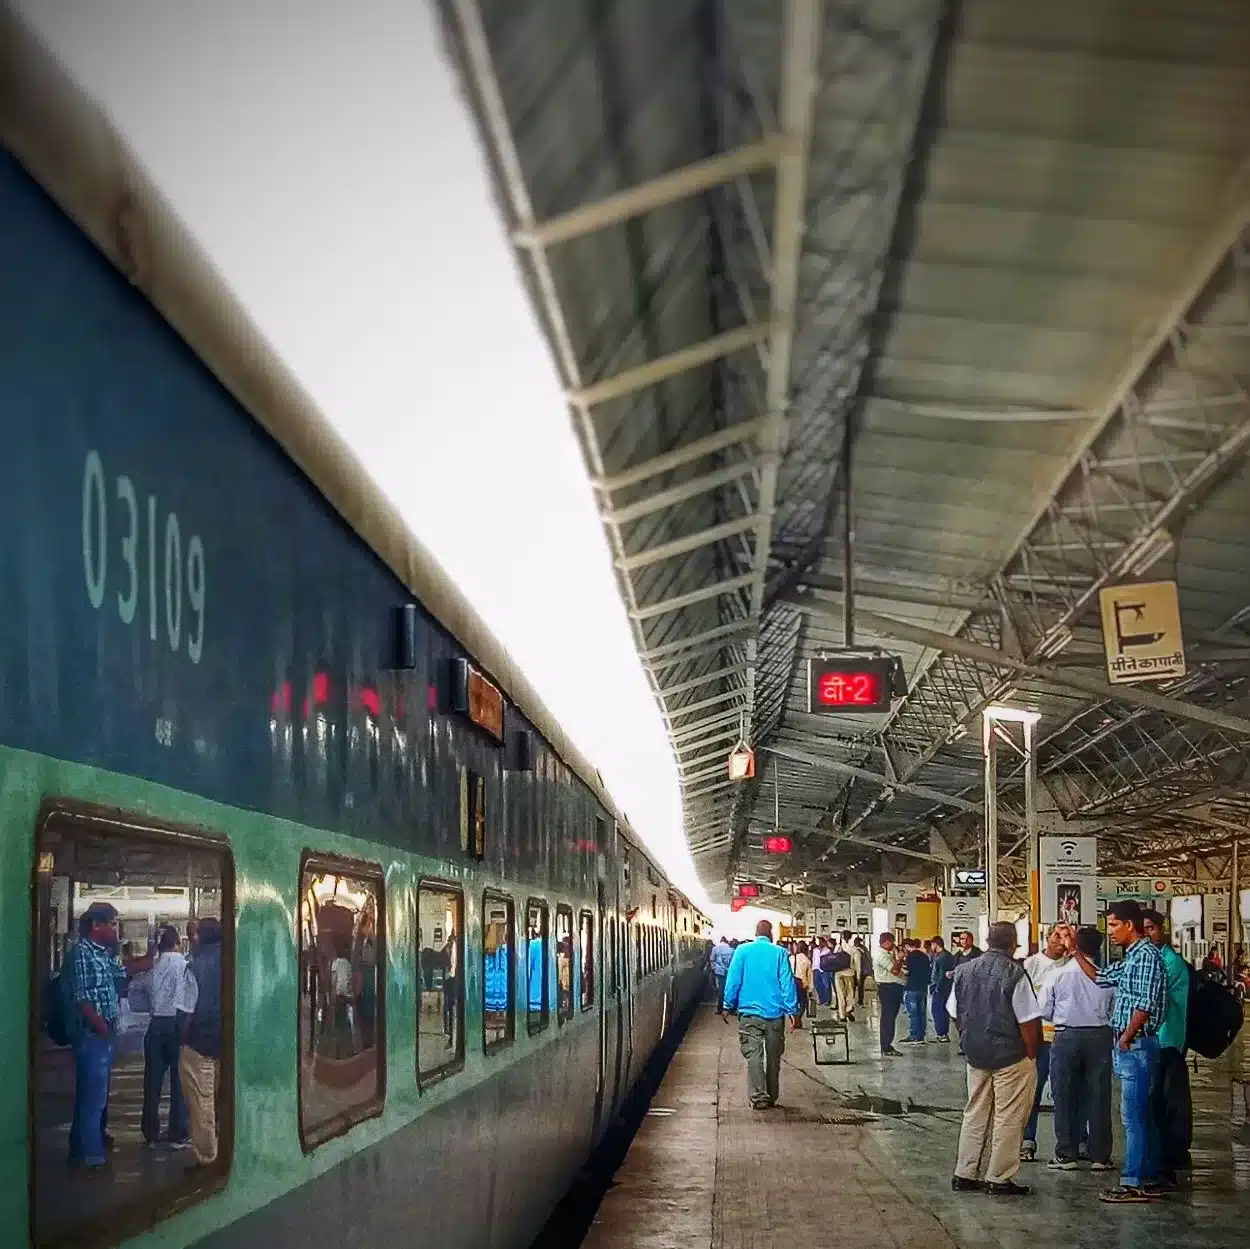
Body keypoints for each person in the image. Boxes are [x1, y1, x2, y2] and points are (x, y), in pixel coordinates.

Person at [1062, 900, 1167, 1204]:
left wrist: (1126, 1037)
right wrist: (1074, 951)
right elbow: (1100, 977)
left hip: (1136, 1045)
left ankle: (1132, 1181)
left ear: (1129, 925)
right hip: (1131, 1044)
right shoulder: (1133, 957)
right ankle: (1146, 1175)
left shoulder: (1145, 957)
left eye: (1114, 926)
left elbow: (1145, 1004)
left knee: (1132, 1118)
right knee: (1139, 1116)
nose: (1111, 932)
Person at [949, 921, 1042, 1197]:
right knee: (1008, 1116)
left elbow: (953, 1011)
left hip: (975, 1054)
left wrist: (968, 1035)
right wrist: (1031, 1054)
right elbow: (1028, 1021)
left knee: (974, 1112)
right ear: (1014, 944)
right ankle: (998, 1177)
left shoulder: (963, 971)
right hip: (1010, 1056)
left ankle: (964, 1173)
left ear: (987, 941)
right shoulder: (1015, 973)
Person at [1040, 925, 1114, 1171]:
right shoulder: (1106, 975)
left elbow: (1044, 1011)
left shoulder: (1057, 975)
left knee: (1064, 1096)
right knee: (1099, 1095)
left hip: (1066, 1036)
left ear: (1076, 947)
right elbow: (1114, 1010)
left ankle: (1066, 1154)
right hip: (1100, 1036)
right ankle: (1100, 1156)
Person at [67, 903, 124, 1169]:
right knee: (94, 1100)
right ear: (96, 926)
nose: (115, 928)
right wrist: (104, 1030)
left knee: (90, 1096)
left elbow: (122, 974)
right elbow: (83, 1000)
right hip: (93, 1035)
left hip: (101, 1033)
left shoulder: (101, 954)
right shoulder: (82, 953)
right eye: (112, 924)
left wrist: (152, 957)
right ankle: (92, 1158)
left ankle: (80, 1150)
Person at [721, 920, 798, 1109]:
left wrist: (727, 1004)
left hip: (749, 1014)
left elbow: (733, 980)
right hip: (775, 1015)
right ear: (770, 933)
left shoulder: (742, 951)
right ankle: (772, 1095)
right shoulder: (780, 953)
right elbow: (787, 983)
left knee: (754, 1055)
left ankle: (759, 1096)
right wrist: (792, 1010)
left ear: (756, 932)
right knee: (774, 1056)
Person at [1142, 908, 1191, 1187]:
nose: (1149, 934)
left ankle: (1166, 1168)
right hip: (1156, 1041)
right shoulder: (1154, 959)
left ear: (1162, 929)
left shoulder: (1169, 962)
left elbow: (1149, 1000)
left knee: (1161, 1106)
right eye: (1144, 928)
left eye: (1152, 928)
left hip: (1166, 1042)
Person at [177, 916, 224, 1167]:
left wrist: (183, 1040)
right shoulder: (233, 961)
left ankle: (207, 1159)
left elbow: (186, 1009)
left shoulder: (195, 966)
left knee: (201, 1102)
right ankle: (224, 1147)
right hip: (224, 1043)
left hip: (200, 1044)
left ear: (200, 937)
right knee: (220, 1098)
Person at [137, 925, 191, 1148]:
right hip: (178, 1025)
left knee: (152, 1081)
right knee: (179, 1082)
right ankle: (178, 1132)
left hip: (156, 1025)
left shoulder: (153, 966)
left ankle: (150, 1131)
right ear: (178, 942)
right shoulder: (186, 966)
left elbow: (136, 995)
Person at [1019, 927, 1066, 1162]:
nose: (1061, 940)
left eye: (1067, 935)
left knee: (1065, 1093)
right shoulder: (1031, 964)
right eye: (1057, 935)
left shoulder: (1072, 966)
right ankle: (1027, 1141)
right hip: (1039, 1040)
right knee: (1033, 1092)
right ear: (1046, 938)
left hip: (1064, 1038)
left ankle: (1074, 1143)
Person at [872, 934, 907, 1057]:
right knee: (888, 1018)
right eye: (892, 942)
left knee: (890, 1017)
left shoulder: (887, 954)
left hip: (893, 988)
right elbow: (894, 970)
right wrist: (900, 958)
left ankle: (887, 1044)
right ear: (886, 942)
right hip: (889, 989)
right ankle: (886, 1047)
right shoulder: (881, 955)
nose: (894, 944)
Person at [901, 939, 931, 1046]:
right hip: (922, 988)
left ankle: (914, 1036)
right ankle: (921, 1036)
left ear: (907, 946)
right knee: (922, 1013)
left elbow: (907, 971)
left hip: (911, 987)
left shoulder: (909, 957)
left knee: (913, 1014)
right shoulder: (925, 956)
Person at [929, 936, 955, 1044]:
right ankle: (942, 1033)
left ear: (935, 944)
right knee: (942, 1010)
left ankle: (941, 1034)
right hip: (945, 987)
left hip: (940, 988)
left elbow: (941, 975)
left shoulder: (942, 957)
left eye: (932, 944)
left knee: (938, 1010)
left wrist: (937, 988)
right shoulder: (945, 955)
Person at [834, 931, 857, 1020]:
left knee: (840, 995)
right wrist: (858, 976)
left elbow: (834, 958)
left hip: (838, 973)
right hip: (849, 974)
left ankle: (842, 1015)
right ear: (851, 937)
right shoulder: (853, 949)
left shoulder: (838, 947)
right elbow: (857, 965)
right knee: (850, 994)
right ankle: (849, 1008)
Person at [789, 941, 812, 1030]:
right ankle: (798, 1018)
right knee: (803, 1003)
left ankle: (795, 1019)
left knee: (792, 1002)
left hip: (791, 983)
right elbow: (809, 976)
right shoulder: (807, 960)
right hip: (802, 983)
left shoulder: (791, 958)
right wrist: (810, 988)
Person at [710, 936, 735, 1017]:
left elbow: (712, 960)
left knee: (721, 990)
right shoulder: (731, 950)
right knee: (730, 989)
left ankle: (720, 1008)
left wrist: (714, 969)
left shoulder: (715, 948)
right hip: (729, 972)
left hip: (720, 972)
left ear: (720, 941)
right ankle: (730, 1009)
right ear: (726, 941)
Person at [812, 937, 834, 1008]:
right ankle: (822, 999)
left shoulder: (827, 950)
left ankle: (828, 1000)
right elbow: (813, 959)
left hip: (825, 970)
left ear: (825, 942)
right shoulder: (815, 950)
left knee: (826, 985)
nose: (820, 943)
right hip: (816, 969)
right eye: (820, 941)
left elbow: (830, 961)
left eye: (822, 941)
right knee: (817, 985)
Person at [852, 936, 869, 1007]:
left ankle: (860, 1001)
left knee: (860, 986)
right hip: (853, 970)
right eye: (856, 941)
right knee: (852, 986)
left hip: (862, 970)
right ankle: (851, 1001)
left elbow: (867, 959)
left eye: (858, 941)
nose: (857, 942)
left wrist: (866, 969)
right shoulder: (852, 949)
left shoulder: (864, 949)